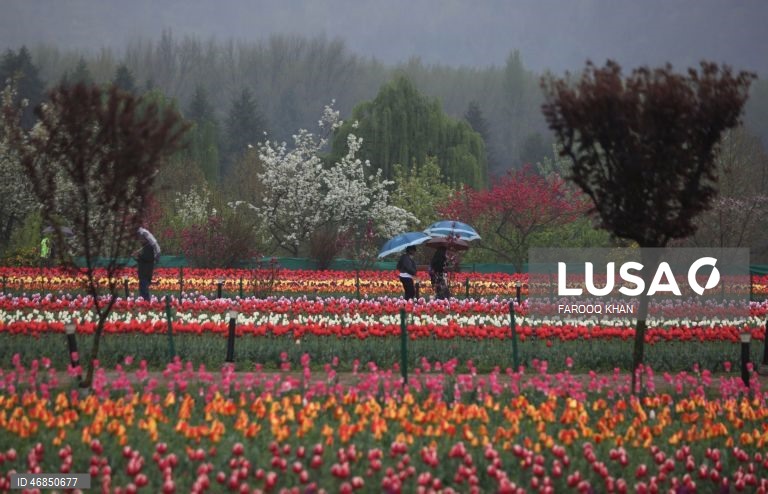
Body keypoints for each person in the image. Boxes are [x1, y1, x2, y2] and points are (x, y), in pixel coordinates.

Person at [134, 230, 156, 300]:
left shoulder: (149, 247)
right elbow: (142, 260)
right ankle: (143, 301)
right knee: (142, 289)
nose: (140, 241)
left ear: (145, 239)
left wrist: (139, 255)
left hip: (146, 272)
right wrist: (136, 257)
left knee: (144, 289)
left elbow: (148, 258)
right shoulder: (145, 247)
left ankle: (146, 302)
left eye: (141, 239)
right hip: (143, 272)